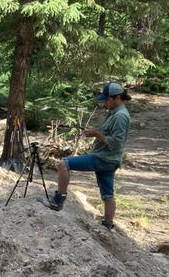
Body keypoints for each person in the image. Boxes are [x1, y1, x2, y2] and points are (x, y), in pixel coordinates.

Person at [45, 82, 131, 230]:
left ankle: (58, 201)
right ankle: (107, 225)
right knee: (107, 194)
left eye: (107, 99)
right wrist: (95, 132)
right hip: (110, 160)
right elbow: (109, 136)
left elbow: (116, 143)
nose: (104, 102)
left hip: (103, 158)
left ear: (117, 97)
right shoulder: (116, 113)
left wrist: (97, 134)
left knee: (63, 164)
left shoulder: (120, 117)